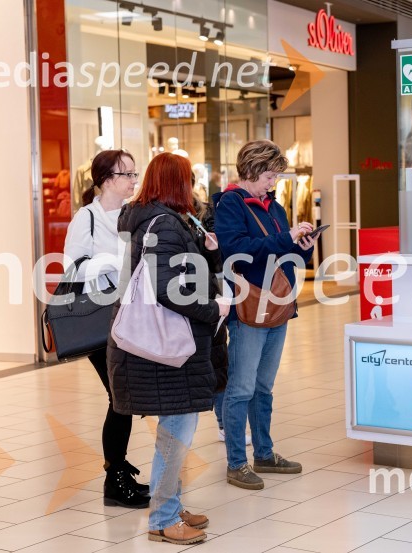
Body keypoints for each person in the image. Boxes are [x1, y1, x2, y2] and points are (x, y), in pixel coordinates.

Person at [108, 152, 230, 545]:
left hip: (162, 348)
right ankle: (163, 518)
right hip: (168, 349)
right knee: (175, 433)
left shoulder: (157, 219)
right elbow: (168, 290)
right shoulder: (164, 224)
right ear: (176, 183)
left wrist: (207, 251)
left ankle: (171, 505)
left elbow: (180, 274)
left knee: (176, 430)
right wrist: (212, 310)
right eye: (188, 180)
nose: (193, 187)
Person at [213, 140, 317, 490]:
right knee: (241, 388)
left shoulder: (275, 207)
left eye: (276, 177)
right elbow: (236, 250)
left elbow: (287, 256)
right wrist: (285, 238)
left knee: (263, 387)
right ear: (252, 169)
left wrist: (303, 247)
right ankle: (236, 463)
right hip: (248, 307)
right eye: (270, 175)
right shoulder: (230, 203)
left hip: (278, 305)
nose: (273, 183)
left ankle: (264, 453)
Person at [63, 149, 149, 508]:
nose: (133, 180)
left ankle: (118, 473)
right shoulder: (87, 217)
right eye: (126, 174)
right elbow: (72, 268)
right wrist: (116, 261)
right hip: (101, 320)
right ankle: (115, 478)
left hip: (133, 315)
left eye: (134, 173)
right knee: (119, 396)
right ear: (106, 179)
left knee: (124, 396)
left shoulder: (136, 214)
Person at [188, 194, 251, 447]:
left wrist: (211, 249)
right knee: (184, 370)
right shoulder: (163, 217)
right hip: (177, 303)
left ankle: (224, 425)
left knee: (218, 364)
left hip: (208, 300)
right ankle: (181, 430)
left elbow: (217, 265)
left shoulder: (204, 214)